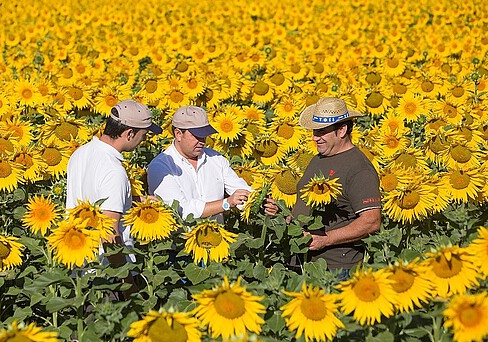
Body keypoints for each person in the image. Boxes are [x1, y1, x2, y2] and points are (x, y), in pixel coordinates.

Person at [292, 97, 382, 274]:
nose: (315, 138)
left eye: (321, 132)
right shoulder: (319, 158)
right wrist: (284, 216)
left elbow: (371, 221)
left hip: (335, 268)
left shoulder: (359, 168)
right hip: (303, 261)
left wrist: (326, 239)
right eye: (314, 131)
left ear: (341, 131)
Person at [66, 99, 162, 262]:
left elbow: (94, 199)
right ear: (130, 133)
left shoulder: (80, 153)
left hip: (78, 255)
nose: (143, 141)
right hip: (105, 268)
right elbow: (109, 233)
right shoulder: (114, 171)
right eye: (143, 135)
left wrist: (134, 200)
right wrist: (125, 280)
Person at [147, 105, 278, 223]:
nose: (202, 142)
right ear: (178, 134)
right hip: (180, 245)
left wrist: (262, 203)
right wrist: (226, 203)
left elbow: (239, 189)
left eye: (204, 136)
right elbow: (182, 211)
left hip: (217, 240)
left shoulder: (215, 159)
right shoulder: (160, 167)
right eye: (197, 136)